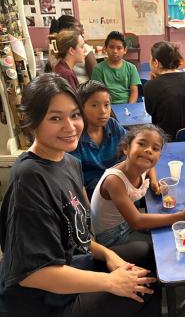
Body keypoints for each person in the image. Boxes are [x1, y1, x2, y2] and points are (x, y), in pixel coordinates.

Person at [0, 73, 160, 317]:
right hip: (48, 301)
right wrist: (110, 282)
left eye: (74, 115)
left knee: (148, 256)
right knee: (145, 288)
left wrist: (108, 254)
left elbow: (77, 236)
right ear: (32, 122)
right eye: (55, 118)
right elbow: (34, 274)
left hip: (75, 264)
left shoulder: (70, 163)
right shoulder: (30, 178)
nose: (70, 126)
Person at [91, 124, 185, 264]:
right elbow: (136, 222)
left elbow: (150, 167)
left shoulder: (141, 165)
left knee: (167, 233)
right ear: (126, 148)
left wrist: (154, 181)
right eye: (142, 144)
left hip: (126, 224)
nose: (148, 150)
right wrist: (183, 216)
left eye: (155, 149)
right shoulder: (114, 181)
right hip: (111, 237)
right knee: (160, 248)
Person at [71, 80, 127, 199]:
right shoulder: (75, 137)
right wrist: (89, 212)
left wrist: (152, 178)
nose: (103, 111)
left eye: (106, 105)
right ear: (81, 108)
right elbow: (77, 182)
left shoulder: (112, 125)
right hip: (94, 195)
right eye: (94, 105)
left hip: (119, 186)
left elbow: (134, 147)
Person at [92, 31, 140, 104]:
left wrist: (129, 107)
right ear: (105, 48)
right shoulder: (98, 69)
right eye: (111, 47)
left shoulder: (131, 68)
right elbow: (98, 94)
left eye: (119, 48)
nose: (115, 51)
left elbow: (134, 92)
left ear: (125, 50)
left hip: (127, 106)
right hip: (107, 106)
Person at [49, 15, 97, 84]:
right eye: (79, 26)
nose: (82, 29)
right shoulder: (67, 73)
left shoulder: (55, 50)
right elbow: (96, 79)